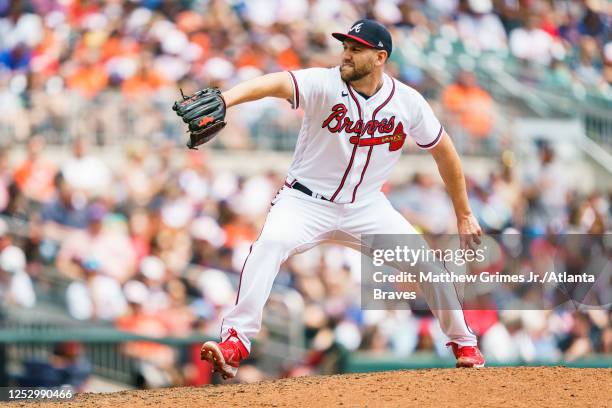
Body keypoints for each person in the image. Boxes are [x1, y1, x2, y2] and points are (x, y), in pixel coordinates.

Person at [198, 19, 485, 379]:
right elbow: (277, 82)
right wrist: (227, 98)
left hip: (367, 207)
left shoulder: (408, 102)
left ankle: (464, 343)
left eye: (357, 49)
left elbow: (445, 152)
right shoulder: (324, 82)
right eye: (346, 47)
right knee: (268, 246)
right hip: (304, 202)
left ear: (380, 57)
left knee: (426, 264)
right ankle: (235, 342)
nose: (346, 54)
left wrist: (464, 212)